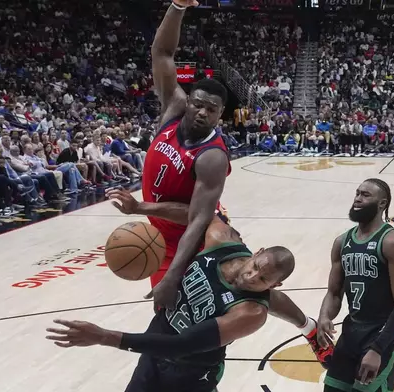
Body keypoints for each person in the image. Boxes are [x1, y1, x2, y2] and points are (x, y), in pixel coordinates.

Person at [139, 0, 331, 366]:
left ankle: (307, 329)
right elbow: (162, 52)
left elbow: (198, 218)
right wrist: (178, 6)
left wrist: (146, 216)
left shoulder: (212, 155)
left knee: (251, 284)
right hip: (161, 230)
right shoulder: (173, 109)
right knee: (172, 315)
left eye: (210, 109)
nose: (200, 111)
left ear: (218, 115)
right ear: (188, 100)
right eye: (197, 103)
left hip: (200, 228)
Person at [46, 213, 295, 392]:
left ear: (274, 286)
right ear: (257, 252)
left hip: (192, 373)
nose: (251, 277)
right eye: (255, 267)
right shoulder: (221, 240)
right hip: (154, 349)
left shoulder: (250, 312)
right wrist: (142, 206)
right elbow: (199, 211)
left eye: (263, 279)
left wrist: (103, 336)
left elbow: (182, 345)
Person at [317, 178, 394, 391]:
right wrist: (324, 316)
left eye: (366, 195)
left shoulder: (393, 243)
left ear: (382, 204)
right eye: (357, 193)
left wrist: (378, 349)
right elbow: (334, 293)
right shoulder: (342, 242)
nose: (358, 199)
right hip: (352, 331)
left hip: (382, 333)